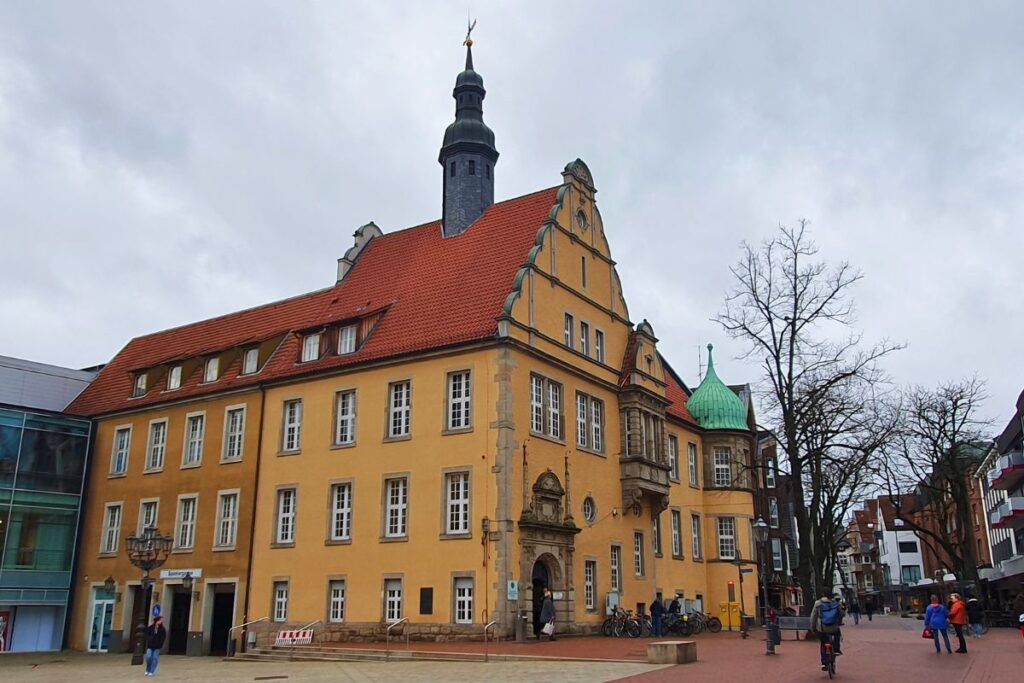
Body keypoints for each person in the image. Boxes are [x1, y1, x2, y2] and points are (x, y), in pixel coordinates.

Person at [810, 592, 844, 671]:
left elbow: (813, 616)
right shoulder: (835, 603)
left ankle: (824, 663)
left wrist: (813, 627)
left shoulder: (818, 603)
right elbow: (842, 614)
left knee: (823, 644)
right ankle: (836, 649)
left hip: (822, 628)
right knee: (837, 634)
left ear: (822, 595)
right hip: (834, 627)